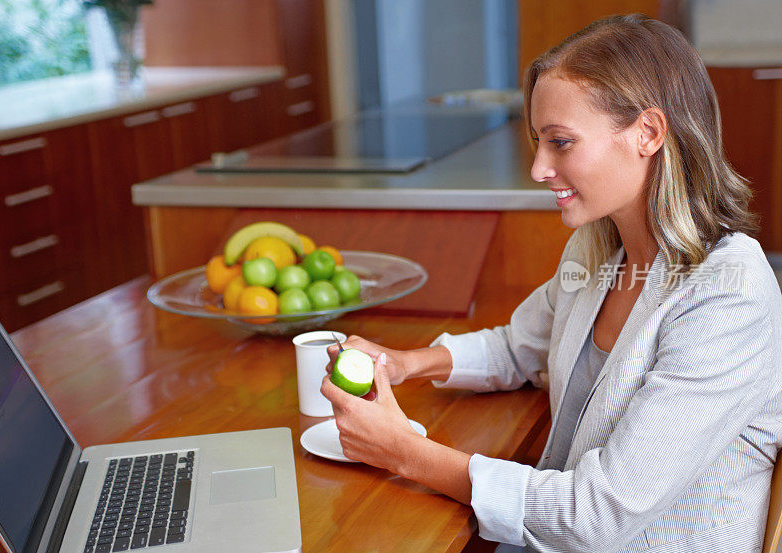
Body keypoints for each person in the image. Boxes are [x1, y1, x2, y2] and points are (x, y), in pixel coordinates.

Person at [320, 14, 782, 553]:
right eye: (539, 141)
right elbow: (520, 346)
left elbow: (596, 518)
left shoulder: (728, 295)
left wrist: (404, 452)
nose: (539, 167)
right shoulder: (598, 250)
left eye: (561, 142)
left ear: (648, 134)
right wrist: (407, 363)